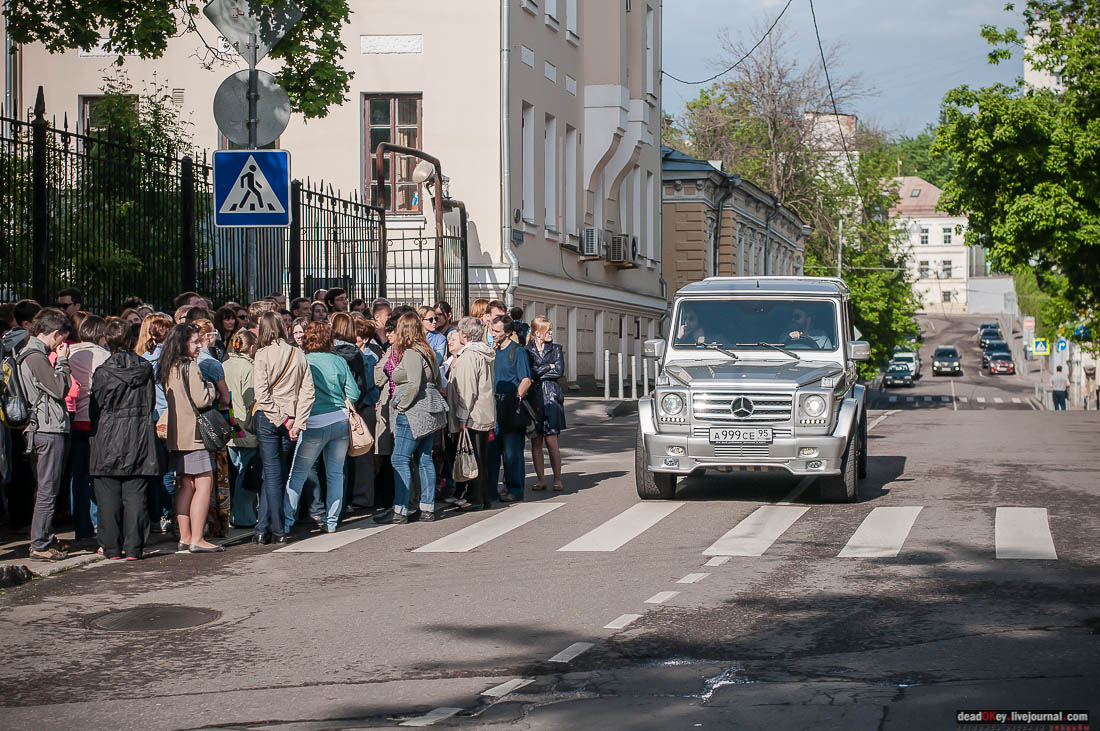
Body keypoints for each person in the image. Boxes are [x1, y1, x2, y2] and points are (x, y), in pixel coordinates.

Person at [89, 319, 158, 560]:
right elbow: (150, 402)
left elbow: (94, 408)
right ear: (130, 340)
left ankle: (111, 547)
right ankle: (133, 547)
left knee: (108, 497)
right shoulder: (145, 368)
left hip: (108, 436)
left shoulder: (103, 372)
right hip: (138, 435)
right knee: (135, 494)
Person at [283, 322, 358, 534]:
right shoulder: (339, 360)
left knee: (298, 474)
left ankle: (286, 522)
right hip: (340, 420)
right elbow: (354, 392)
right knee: (335, 473)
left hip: (313, 421)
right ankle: (331, 521)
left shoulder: (304, 360)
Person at [374, 312, 445, 524]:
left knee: (399, 458)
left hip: (413, 412)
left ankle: (401, 509)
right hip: (429, 411)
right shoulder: (427, 351)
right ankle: (427, 508)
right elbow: (437, 380)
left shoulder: (412, 353)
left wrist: (402, 406)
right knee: (424, 458)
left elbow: (414, 383)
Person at [252, 312, 314, 544]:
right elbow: (308, 391)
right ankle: (270, 528)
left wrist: (283, 420)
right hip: (290, 416)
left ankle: (270, 529)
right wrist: (297, 422)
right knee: (278, 474)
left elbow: (262, 395)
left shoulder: (261, 355)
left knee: (271, 474)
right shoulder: (297, 353)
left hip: (268, 418)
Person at [161, 323, 223, 553]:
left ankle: (185, 536)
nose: (199, 346)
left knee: (184, 485)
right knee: (204, 484)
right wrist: (211, 388)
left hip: (178, 435)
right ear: (183, 343)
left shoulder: (169, 366)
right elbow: (202, 399)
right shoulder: (190, 367)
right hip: (195, 434)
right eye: (195, 342)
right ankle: (197, 537)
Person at [20, 308, 73, 560]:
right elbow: (59, 389)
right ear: (55, 333)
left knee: (44, 486)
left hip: (38, 427)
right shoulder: (36, 356)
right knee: (48, 488)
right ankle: (40, 544)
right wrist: (62, 361)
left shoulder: (27, 352)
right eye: (62, 339)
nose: (61, 345)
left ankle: (44, 536)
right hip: (47, 427)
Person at [446, 317, 496, 511]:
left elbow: (467, 391)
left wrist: (462, 417)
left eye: (459, 331)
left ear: (465, 335)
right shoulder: (483, 352)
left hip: (473, 415)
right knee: (480, 457)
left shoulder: (469, 356)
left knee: (473, 456)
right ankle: (483, 497)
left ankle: (476, 498)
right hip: (482, 412)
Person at [68, 314, 110, 542]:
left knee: (78, 476)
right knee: (98, 475)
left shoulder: (70, 353)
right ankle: (98, 521)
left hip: (73, 419)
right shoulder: (103, 356)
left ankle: (81, 526)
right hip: (96, 420)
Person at [487, 315, 532, 503]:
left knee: (512, 453)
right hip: (493, 406)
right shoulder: (493, 351)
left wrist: (517, 400)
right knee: (492, 451)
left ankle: (515, 489)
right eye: (492, 330)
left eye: (497, 331)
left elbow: (526, 380)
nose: (493, 334)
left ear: (508, 333)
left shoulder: (517, 351)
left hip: (510, 405)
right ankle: (490, 490)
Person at [139, 314, 176, 534]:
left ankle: (155, 516)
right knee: (169, 470)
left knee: (154, 469)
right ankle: (167, 514)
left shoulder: (145, 358)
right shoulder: (169, 359)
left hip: (151, 416)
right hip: (168, 417)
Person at [331, 313, 372, 510]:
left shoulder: (329, 353)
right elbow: (361, 386)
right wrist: (354, 406)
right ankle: (352, 499)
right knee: (356, 455)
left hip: (332, 409)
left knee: (334, 460)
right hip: (354, 409)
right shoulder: (356, 354)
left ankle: (337, 502)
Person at [195, 319, 232, 536]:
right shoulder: (211, 363)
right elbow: (225, 398)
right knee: (217, 475)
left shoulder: (181, 362)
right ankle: (218, 522)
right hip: (213, 423)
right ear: (207, 336)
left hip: (191, 425)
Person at [525, 316, 566, 491]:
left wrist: (542, 370)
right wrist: (548, 366)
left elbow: (559, 371)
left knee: (551, 440)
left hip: (551, 397)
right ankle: (541, 479)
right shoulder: (527, 350)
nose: (550, 333)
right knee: (536, 441)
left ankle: (557, 479)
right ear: (537, 333)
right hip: (534, 398)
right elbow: (530, 373)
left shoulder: (556, 349)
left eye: (551, 330)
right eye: (547, 330)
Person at [223, 329, 259, 528]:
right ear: (252, 348)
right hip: (246, 425)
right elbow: (250, 400)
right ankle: (243, 516)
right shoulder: (249, 368)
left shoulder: (224, 364)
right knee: (247, 473)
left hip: (230, 423)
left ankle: (236, 513)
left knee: (237, 471)